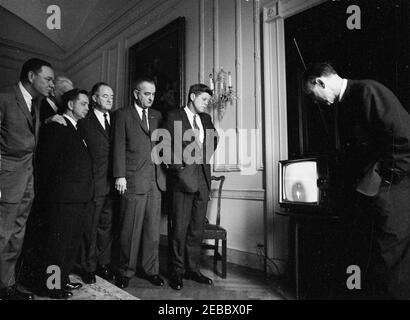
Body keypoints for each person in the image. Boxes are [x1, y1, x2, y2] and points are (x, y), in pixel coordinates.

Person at [303, 62, 410, 299]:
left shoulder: (368, 91)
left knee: (390, 261)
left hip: (392, 191)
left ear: (320, 82)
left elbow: (405, 138)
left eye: (313, 95)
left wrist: (386, 181)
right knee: (376, 260)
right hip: (372, 194)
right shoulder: (345, 103)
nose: (315, 101)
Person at [0, 58, 54, 300]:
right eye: (48, 79)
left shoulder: (38, 105)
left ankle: (6, 286)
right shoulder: (4, 98)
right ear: (31, 77)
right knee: (2, 234)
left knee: (17, 235)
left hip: (27, 179)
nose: (52, 84)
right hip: (6, 180)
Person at [36, 89, 93, 299]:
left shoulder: (77, 128)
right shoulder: (57, 126)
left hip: (78, 199)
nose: (87, 108)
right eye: (84, 103)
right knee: (57, 246)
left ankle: (61, 281)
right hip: (61, 199)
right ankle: (51, 287)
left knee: (70, 244)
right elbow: (46, 165)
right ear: (70, 104)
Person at [162, 83, 219, 291]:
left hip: (203, 179)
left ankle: (192, 269)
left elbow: (215, 139)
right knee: (179, 228)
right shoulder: (174, 115)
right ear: (193, 96)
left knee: (196, 228)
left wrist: (203, 158)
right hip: (182, 180)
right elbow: (164, 145)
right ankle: (176, 272)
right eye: (204, 100)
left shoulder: (205, 119)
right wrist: (179, 167)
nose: (207, 104)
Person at [112, 77, 166, 289]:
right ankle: (125, 271)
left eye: (153, 94)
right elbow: (118, 146)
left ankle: (151, 270)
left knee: (152, 231)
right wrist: (119, 175)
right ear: (136, 94)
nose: (150, 98)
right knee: (130, 229)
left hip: (156, 180)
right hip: (132, 180)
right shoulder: (122, 115)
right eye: (146, 93)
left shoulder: (158, 116)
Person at [77, 82, 115, 283]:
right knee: (90, 228)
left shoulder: (115, 119)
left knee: (106, 227)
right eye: (105, 96)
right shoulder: (84, 120)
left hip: (113, 184)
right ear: (94, 98)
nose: (110, 99)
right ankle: (88, 267)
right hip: (93, 183)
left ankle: (103, 264)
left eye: (111, 96)